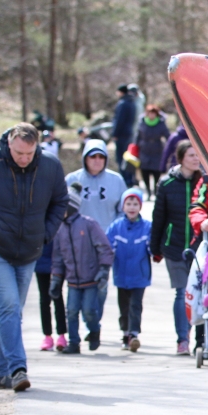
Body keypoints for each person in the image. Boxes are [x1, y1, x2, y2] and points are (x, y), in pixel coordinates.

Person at [0, 123, 68, 391]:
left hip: (29, 250)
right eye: (19, 153)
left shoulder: (50, 166)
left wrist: (46, 233)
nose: (24, 159)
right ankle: (17, 369)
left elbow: (60, 202)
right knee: (8, 306)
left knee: (13, 311)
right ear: (9, 143)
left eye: (29, 154)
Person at [151, 140, 204, 355]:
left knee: (200, 294)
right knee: (182, 293)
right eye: (191, 155)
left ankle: (201, 341)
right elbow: (158, 218)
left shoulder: (205, 183)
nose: (196, 159)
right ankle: (183, 339)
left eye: (198, 155)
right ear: (181, 158)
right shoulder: (167, 184)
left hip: (200, 249)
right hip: (174, 247)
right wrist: (155, 248)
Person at [66, 138, 126, 323]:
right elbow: (62, 209)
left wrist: (116, 233)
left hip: (105, 241)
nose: (97, 160)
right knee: (77, 283)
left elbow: (123, 210)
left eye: (101, 157)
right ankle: (79, 319)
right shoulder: (72, 180)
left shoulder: (116, 180)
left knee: (101, 284)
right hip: (77, 240)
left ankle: (93, 322)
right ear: (85, 158)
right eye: (93, 157)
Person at [50, 183, 114, 354]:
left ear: (71, 207)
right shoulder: (60, 230)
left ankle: (94, 330)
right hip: (72, 280)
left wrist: (103, 270)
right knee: (71, 311)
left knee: (88, 311)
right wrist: (56, 279)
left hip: (91, 278)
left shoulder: (88, 224)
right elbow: (58, 258)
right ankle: (74, 342)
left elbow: (104, 248)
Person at [106, 188, 152, 352]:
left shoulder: (147, 226)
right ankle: (125, 333)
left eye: (135, 204)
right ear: (123, 206)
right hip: (121, 274)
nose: (132, 207)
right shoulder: (116, 226)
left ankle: (134, 334)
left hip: (140, 275)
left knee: (136, 305)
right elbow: (107, 246)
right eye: (128, 204)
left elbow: (153, 247)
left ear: (140, 206)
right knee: (124, 306)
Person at [34, 236, 68, 352]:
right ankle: (47, 336)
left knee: (57, 297)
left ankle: (61, 335)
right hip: (41, 260)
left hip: (58, 260)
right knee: (44, 299)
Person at [134, 103, 170, 200]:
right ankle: (148, 191)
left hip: (157, 150)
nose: (151, 115)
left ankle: (155, 190)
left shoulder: (161, 123)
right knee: (145, 171)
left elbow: (167, 135)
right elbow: (138, 136)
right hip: (144, 150)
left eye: (153, 113)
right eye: (150, 113)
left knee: (156, 172)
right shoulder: (142, 122)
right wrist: (135, 147)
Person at [112, 85, 138, 187]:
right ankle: (130, 179)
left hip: (122, 135)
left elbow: (119, 120)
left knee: (121, 158)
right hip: (129, 133)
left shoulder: (122, 103)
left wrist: (115, 134)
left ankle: (124, 181)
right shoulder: (132, 102)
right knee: (128, 158)